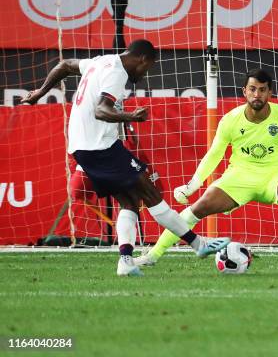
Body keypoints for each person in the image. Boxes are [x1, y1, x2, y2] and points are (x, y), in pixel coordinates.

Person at [21, 39, 229, 276]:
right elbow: (101, 110)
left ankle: (126, 261)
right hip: (99, 147)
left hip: (84, 146)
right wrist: (131, 116)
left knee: (129, 201)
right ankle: (198, 244)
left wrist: (40, 92)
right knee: (150, 193)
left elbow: (65, 65)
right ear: (142, 59)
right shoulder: (117, 72)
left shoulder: (100, 61)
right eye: (147, 68)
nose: (144, 73)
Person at [134, 68, 278, 265]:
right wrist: (192, 186)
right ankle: (153, 255)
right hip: (239, 179)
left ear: (270, 92)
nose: (257, 94)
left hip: (275, 178)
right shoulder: (230, 120)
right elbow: (213, 155)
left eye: (262, 89)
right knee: (198, 208)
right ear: (244, 91)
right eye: (252, 89)